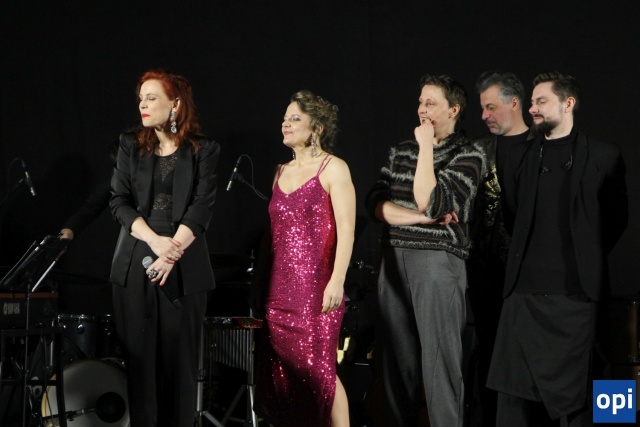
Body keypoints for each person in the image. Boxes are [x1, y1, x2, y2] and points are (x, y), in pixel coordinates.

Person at [487, 71, 628, 426]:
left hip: (579, 296)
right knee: (515, 398)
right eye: (531, 101)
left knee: (597, 388)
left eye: (541, 101)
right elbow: (513, 215)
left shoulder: (605, 155)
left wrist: (586, 254)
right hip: (523, 296)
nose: (532, 108)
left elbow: (616, 220)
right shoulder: (518, 157)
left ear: (568, 104)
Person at [365, 74, 485, 427]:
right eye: (420, 102)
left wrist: (427, 148)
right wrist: (420, 219)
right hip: (393, 258)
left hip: (437, 262)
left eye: (430, 103)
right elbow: (375, 205)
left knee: (440, 364)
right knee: (394, 363)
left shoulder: (469, 153)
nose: (422, 109)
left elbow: (431, 201)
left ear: (454, 109)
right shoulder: (400, 151)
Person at [110, 69, 220, 426]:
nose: (143, 104)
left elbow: (202, 207)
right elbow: (119, 201)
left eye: (151, 97)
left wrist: (172, 252)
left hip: (185, 265)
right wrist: (155, 242)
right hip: (135, 259)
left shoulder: (203, 149)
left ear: (175, 103)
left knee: (180, 368)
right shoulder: (130, 144)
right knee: (140, 368)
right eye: (141, 98)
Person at [253, 90, 355, 427]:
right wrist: (259, 286)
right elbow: (270, 236)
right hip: (278, 293)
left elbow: (347, 230)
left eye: (295, 118)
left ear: (317, 128)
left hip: (315, 291)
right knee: (283, 377)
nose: (286, 123)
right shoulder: (279, 172)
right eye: (285, 118)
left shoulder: (333, 168)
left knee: (318, 370)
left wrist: (337, 281)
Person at [467, 71, 532, 426]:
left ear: (514, 103)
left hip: (533, 276)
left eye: (491, 107)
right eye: (482, 108)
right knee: (490, 355)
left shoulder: (544, 146)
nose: (484, 115)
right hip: (486, 276)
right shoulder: (477, 150)